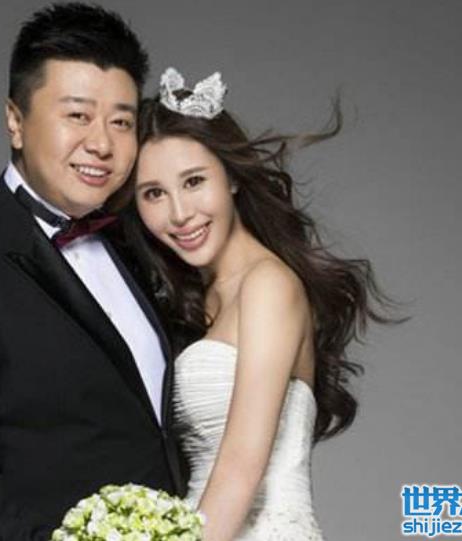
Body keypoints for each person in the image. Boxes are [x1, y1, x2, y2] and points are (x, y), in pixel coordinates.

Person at [0, 5, 185, 540]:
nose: (102, 144)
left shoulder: (138, 243)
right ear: (15, 120)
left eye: (121, 122)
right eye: (78, 115)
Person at [123, 68, 401, 540]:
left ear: (231, 178)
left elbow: (240, 467)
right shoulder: (204, 300)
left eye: (194, 181)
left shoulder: (268, 285)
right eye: (154, 194)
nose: (180, 213)